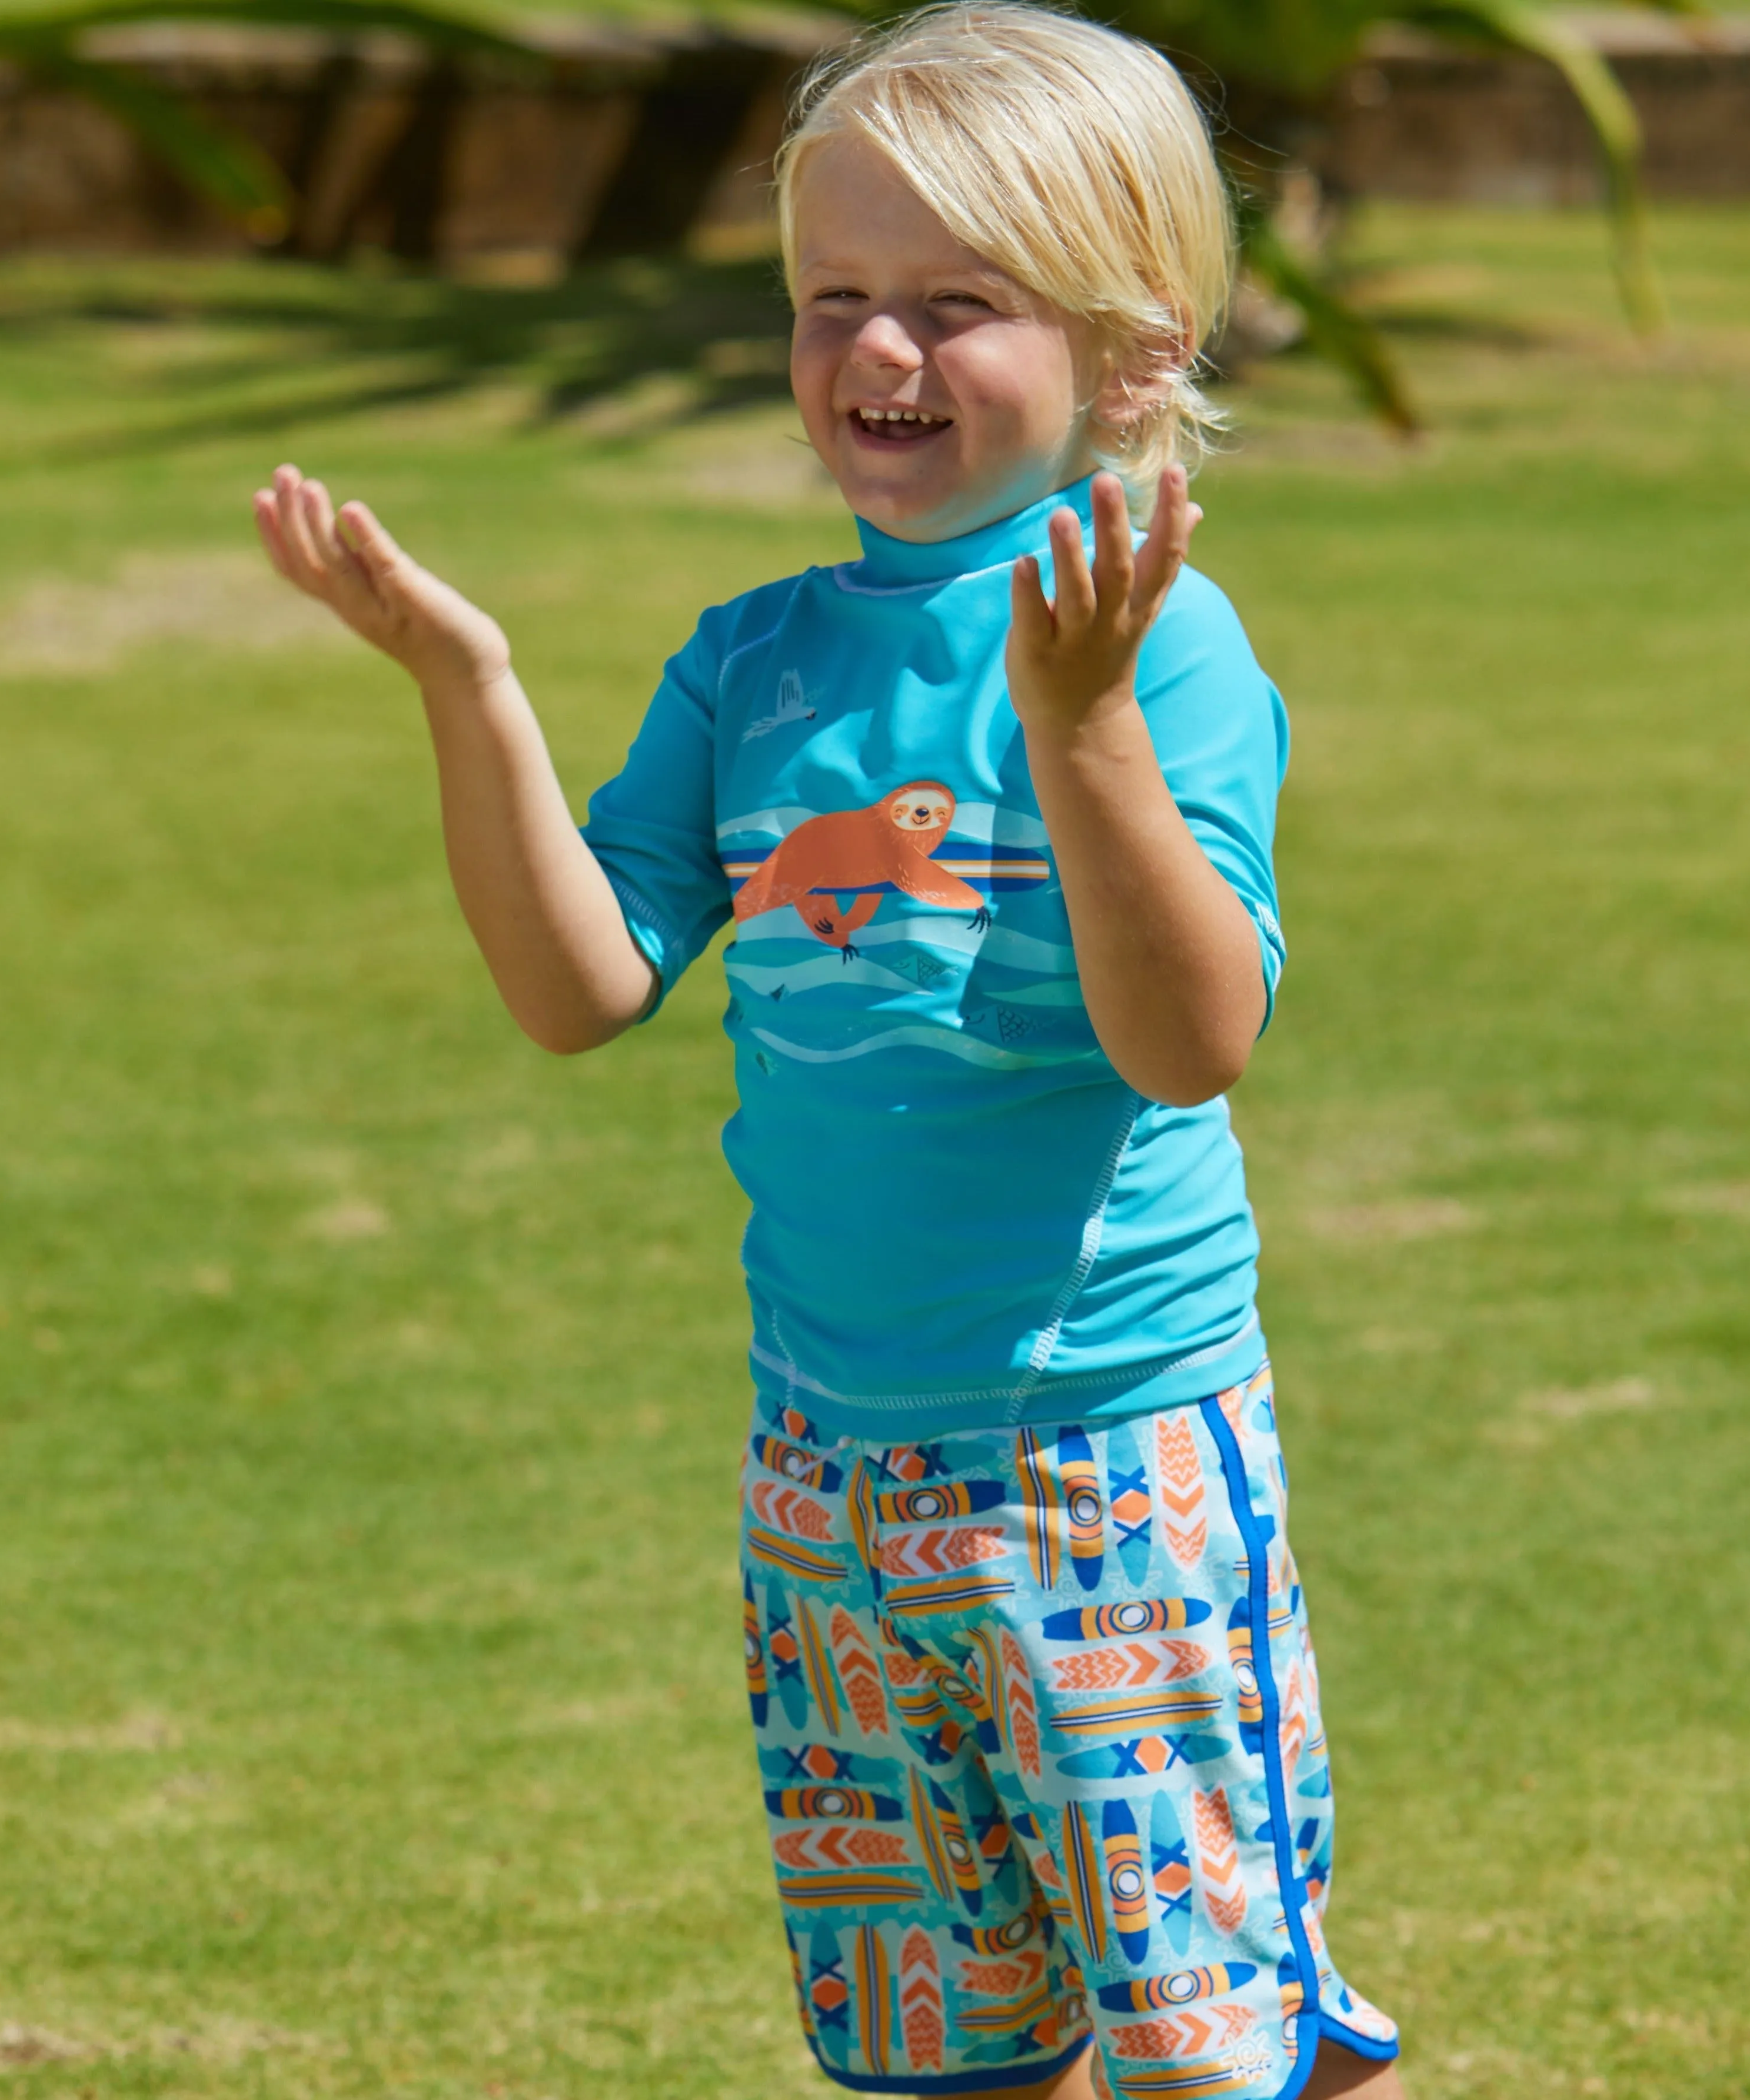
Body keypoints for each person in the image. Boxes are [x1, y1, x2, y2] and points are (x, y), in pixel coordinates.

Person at [252, 7, 1404, 2094]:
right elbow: (579, 983)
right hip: (829, 1475)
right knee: (943, 2039)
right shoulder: (755, 660)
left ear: (1133, 357)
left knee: (1221, 2041)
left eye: (957, 306)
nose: (878, 354)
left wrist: (1080, 724)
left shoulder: (1167, 653)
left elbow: (1191, 1040)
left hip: (1108, 1467)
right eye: (833, 299)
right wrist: (469, 685)